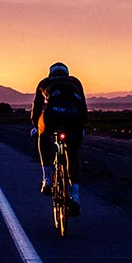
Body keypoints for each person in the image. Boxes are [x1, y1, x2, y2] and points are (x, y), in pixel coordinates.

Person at [30, 61, 88, 215]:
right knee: (72, 154)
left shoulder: (44, 82)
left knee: (43, 136)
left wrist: (36, 127)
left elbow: (36, 108)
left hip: (52, 116)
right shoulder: (75, 82)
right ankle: (75, 197)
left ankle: (47, 178)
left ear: (51, 73)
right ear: (66, 73)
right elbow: (83, 107)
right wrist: (81, 128)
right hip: (74, 118)